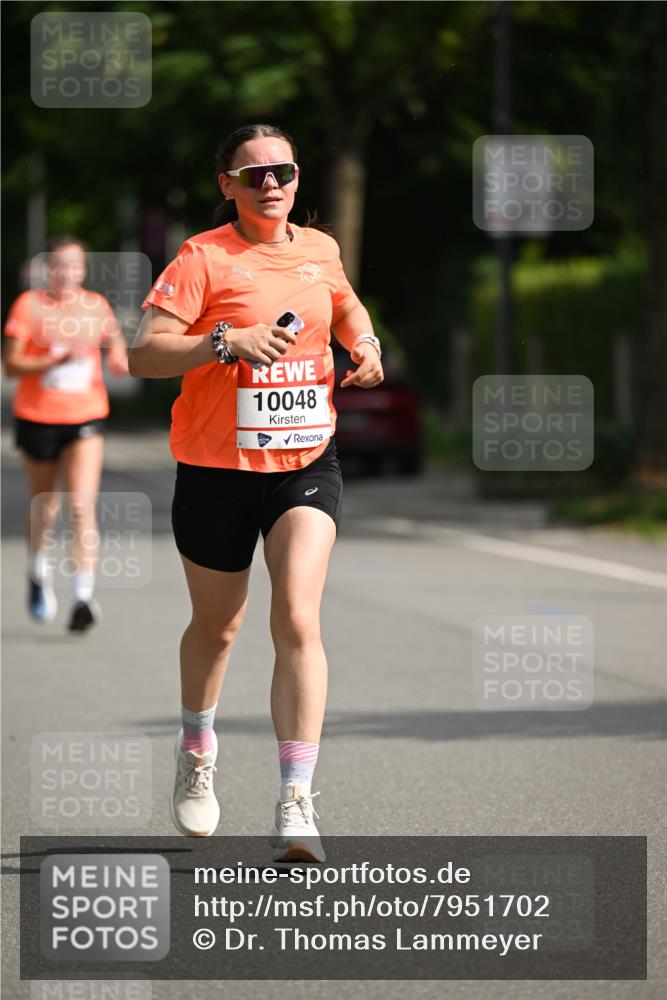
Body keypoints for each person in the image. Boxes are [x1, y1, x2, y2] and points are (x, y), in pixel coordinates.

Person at [130, 123, 383, 860]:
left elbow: (348, 310)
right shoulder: (201, 257)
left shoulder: (320, 250)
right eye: (254, 174)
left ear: (298, 180)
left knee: (298, 619)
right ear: (228, 188)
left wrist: (363, 345)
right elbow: (143, 354)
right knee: (218, 629)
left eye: (284, 171)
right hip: (214, 471)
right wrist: (221, 344)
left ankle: (295, 801)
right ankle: (197, 748)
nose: (271, 183)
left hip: (305, 462)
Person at [3, 236, 129, 631]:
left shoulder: (96, 306)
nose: (65, 273)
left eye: (73, 266)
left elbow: (114, 339)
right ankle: (38, 572)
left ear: (83, 269)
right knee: (47, 505)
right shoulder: (29, 306)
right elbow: (11, 365)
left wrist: (119, 358)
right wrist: (51, 359)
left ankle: (83, 596)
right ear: (47, 269)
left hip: (85, 416)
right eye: (58, 266)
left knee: (80, 506)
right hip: (37, 416)